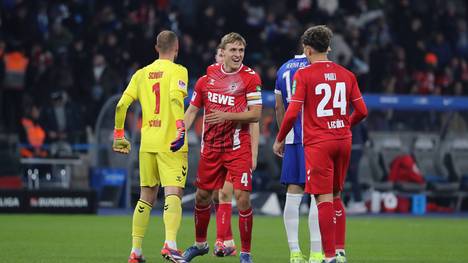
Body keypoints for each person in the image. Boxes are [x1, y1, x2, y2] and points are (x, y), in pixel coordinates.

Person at [273, 25, 368, 263]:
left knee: (322, 198)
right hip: (343, 139)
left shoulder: (304, 75)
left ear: (307, 49)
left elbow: (292, 112)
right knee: (337, 196)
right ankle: (340, 251)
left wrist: (279, 138)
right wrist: (345, 123)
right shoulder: (347, 74)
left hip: (319, 142)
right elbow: (362, 111)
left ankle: (327, 257)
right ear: (329, 47)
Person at [182, 32, 262, 263]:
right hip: (212, 148)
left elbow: (256, 114)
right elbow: (192, 110)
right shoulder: (207, 78)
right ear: (222, 52)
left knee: (242, 198)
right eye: (233, 50)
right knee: (202, 197)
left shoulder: (250, 78)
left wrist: (226, 115)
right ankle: (200, 244)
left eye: (241, 51)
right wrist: (180, 133)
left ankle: (245, 253)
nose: (238, 55)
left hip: (238, 147)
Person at [113, 30, 189, 263]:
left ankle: (135, 251)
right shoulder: (179, 70)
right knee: (173, 192)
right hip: (171, 143)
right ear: (176, 48)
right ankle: (171, 244)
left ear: (156, 48)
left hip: (147, 143)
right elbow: (176, 99)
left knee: (146, 196)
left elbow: (121, 105)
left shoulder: (141, 74)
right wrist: (180, 127)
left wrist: (119, 134)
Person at [210, 45, 260, 257]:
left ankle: (223, 243)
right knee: (216, 196)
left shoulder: (243, 82)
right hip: (215, 148)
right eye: (221, 55)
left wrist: (254, 153)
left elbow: (254, 120)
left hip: (237, 148)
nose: (225, 59)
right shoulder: (211, 80)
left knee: (225, 194)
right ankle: (227, 240)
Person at [275, 53, 323, 263]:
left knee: (293, 193)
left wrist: (283, 135)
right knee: (319, 195)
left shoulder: (283, 68)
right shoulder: (316, 67)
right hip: (316, 138)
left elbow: (279, 107)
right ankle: (315, 253)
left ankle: (294, 252)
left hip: (293, 137)